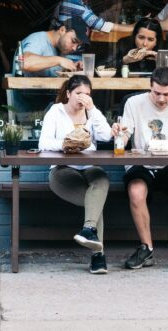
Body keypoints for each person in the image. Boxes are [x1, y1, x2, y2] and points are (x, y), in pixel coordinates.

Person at [111, 67, 168, 269]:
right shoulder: (134, 103)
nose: (161, 99)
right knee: (136, 191)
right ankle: (146, 248)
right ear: (150, 87)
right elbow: (125, 136)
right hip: (141, 164)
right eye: (157, 93)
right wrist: (120, 134)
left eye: (167, 94)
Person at [37, 75, 114, 274]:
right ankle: (98, 257)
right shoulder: (56, 112)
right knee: (95, 204)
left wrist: (93, 109)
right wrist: (65, 144)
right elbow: (43, 144)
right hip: (63, 168)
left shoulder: (91, 113)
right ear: (69, 93)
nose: (83, 97)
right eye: (79, 93)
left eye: (87, 94)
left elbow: (106, 136)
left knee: (101, 180)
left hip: (88, 166)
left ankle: (88, 230)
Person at [55, 0, 130, 47]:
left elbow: (95, 20)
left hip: (77, 51)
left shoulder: (80, 3)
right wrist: (131, 28)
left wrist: (112, 9)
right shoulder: (71, 1)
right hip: (70, 54)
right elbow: (100, 25)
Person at [18, 20, 85, 77]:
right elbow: (23, 62)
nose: (75, 48)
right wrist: (59, 60)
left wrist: (70, 69)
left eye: (78, 46)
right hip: (26, 92)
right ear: (62, 30)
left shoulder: (60, 48)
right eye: (73, 41)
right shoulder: (38, 39)